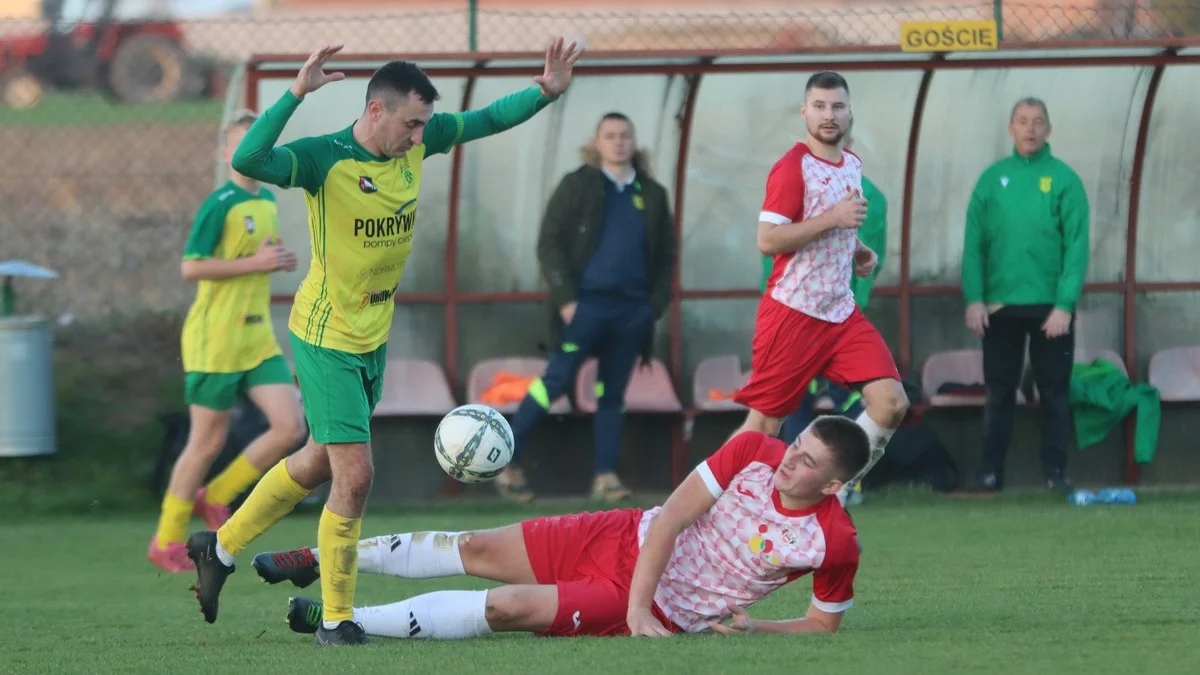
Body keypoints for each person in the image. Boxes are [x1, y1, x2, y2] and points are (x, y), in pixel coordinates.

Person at [184, 39, 582, 647]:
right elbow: (250, 155)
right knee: (356, 474)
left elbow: (485, 120)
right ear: (376, 111)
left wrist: (545, 91)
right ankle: (339, 620)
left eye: (426, 125)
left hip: (372, 335)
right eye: (412, 124)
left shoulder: (416, 144)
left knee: (320, 460)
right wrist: (295, 93)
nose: (421, 137)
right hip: (325, 335)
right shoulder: (325, 158)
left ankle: (222, 548)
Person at [249, 415, 869, 639]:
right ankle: (314, 555)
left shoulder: (834, 540)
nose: (790, 459)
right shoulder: (755, 450)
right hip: (628, 536)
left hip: (668, 607)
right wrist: (634, 611)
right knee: (477, 547)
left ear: (834, 486)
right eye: (797, 445)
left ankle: (344, 621)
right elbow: (673, 518)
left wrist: (756, 625)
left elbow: (822, 623)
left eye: (808, 462)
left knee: (506, 608)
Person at [732, 71, 908, 501]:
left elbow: (837, 226)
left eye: (838, 107)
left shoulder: (852, 164)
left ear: (850, 113)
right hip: (793, 313)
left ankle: (833, 492)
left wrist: (857, 248)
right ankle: (702, 512)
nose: (830, 116)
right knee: (763, 427)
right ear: (805, 112)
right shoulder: (793, 167)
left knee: (891, 403)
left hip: (841, 313)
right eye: (821, 107)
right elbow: (768, 239)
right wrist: (834, 221)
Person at [147, 111, 306, 574]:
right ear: (226, 154)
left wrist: (274, 262)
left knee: (290, 427)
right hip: (215, 338)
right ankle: (166, 537)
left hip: (255, 335)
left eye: (258, 143)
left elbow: (255, 259)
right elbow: (191, 267)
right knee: (206, 441)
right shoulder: (219, 203)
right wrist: (256, 264)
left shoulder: (270, 199)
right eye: (240, 144)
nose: (249, 152)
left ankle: (215, 497)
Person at [495, 112, 677, 504]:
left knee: (611, 394)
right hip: (585, 308)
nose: (618, 143)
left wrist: (653, 308)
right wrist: (567, 299)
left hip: (632, 312)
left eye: (625, 136)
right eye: (610, 136)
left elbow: (667, 257)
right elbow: (549, 244)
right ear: (597, 143)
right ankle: (508, 464)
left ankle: (605, 476)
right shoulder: (578, 186)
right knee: (553, 383)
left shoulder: (653, 193)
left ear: (635, 142)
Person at [962, 97, 1089, 493]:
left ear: (1048, 129)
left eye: (1037, 122)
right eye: (1022, 121)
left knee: (1054, 394)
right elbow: (974, 244)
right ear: (1010, 128)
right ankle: (990, 472)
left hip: (1051, 309)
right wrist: (974, 298)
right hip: (1000, 307)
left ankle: (1055, 474)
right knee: (999, 393)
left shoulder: (1065, 180)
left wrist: (1065, 305)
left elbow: (1077, 247)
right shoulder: (991, 179)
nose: (1030, 129)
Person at [774, 128, 889, 507]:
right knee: (786, 404)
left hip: (840, 318)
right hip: (792, 315)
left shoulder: (870, 194)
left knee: (875, 400)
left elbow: (869, 259)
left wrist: (852, 308)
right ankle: (778, 489)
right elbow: (773, 249)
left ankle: (840, 483)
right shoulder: (794, 179)